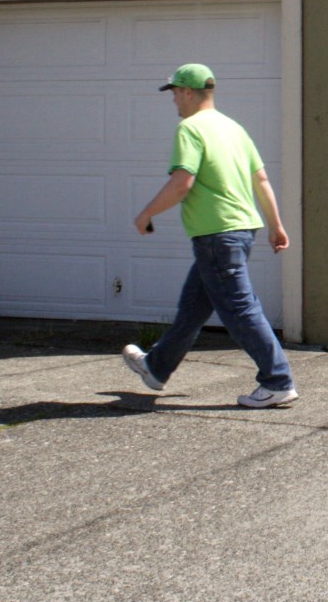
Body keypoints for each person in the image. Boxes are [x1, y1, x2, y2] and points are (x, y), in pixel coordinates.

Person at [120, 63, 298, 408]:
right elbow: (260, 180)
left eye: (174, 93)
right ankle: (156, 368)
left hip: (218, 235)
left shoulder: (190, 129)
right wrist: (275, 225)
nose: (173, 101)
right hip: (239, 229)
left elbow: (181, 183)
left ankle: (278, 381)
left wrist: (147, 213)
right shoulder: (234, 128)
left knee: (240, 309)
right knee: (193, 308)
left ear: (188, 92)